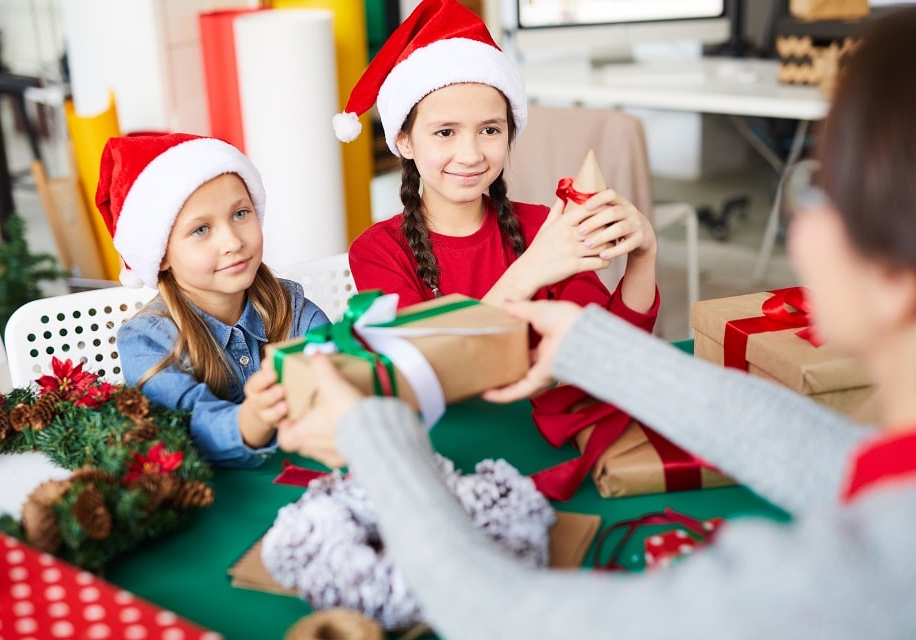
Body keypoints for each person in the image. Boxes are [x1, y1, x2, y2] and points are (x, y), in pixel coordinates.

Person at [277, 7, 916, 638]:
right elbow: (832, 458)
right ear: (405, 141)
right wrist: (573, 309)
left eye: (820, 191)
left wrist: (371, 434)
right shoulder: (889, 506)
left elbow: (501, 612)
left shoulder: (851, 579)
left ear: (894, 281)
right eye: (445, 132)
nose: (797, 232)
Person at [336, 0, 658, 331]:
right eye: (445, 132)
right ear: (404, 140)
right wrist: (530, 271)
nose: (470, 154)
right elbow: (425, 366)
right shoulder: (377, 252)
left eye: (490, 130)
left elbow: (610, 350)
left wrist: (643, 256)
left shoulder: (543, 228)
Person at [96, 133, 329, 468]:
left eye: (240, 213)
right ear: (161, 255)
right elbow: (185, 429)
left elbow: (340, 376)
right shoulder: (147, 341)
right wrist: (254, 418)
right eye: (201, 230)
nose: (232, 241)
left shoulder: (291, 307)